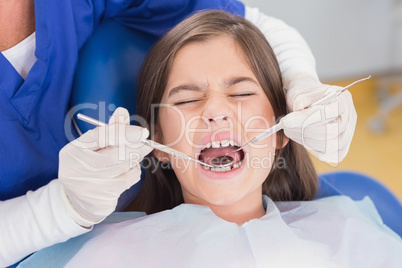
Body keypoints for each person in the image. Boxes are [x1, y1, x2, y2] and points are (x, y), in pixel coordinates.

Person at [19, 10, 401, 267]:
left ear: (284, 129)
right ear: (157, 143)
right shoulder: (111, 256)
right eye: (186, 98)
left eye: (241, 93)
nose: (215, 111)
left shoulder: (349, 235)